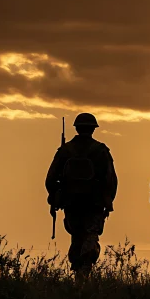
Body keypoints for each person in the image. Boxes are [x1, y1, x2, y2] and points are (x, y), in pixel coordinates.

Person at [46, 113, 118, 280]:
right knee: (91, 235)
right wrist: (108, 201)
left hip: (71, 202)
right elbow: (111, 179)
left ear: (77, 128)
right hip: (94, 203)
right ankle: (84, 271)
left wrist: (55, 196)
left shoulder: (65, 150)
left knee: (76, 236)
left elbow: (50, 179)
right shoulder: (100, 150)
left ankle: (78, 272)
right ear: (93, 129)